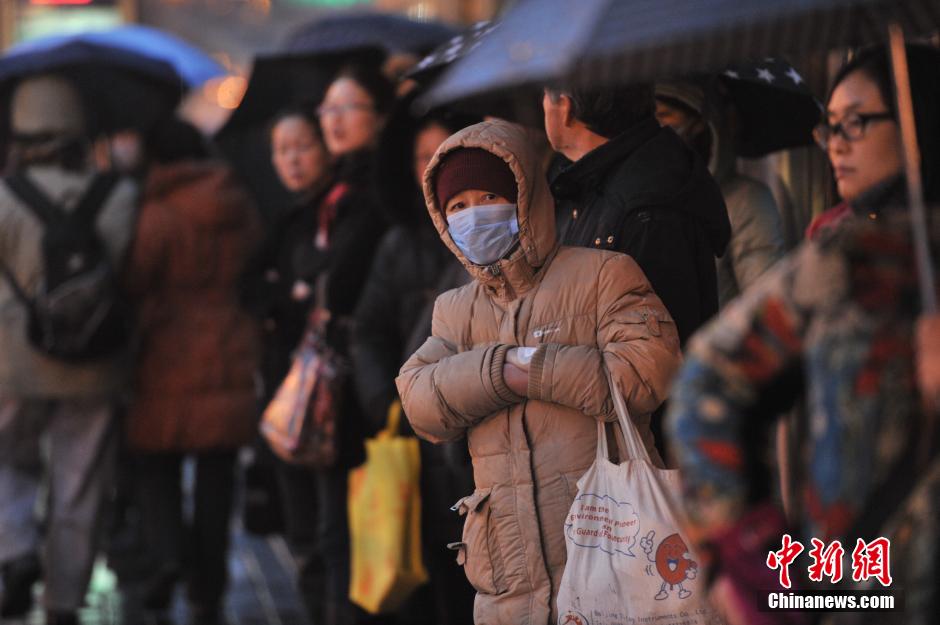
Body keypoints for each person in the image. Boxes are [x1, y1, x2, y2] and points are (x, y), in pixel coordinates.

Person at [666, 44, 940, 625]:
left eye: (857, 123)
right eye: (830, 127)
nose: (837, 144)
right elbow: (704, 388)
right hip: (860, 595)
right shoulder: (848, 261)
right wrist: (754, 568)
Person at [396, 119, 682, 625]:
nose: (473, 215)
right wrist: (499, 370)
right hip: (508, 582)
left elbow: (646, 374)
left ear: (526, 198)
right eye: (457, 207)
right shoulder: (455, 309)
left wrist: (536, 371)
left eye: (489, 196)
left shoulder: (602, 274)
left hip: (611, 559)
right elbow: (420, 402)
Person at [0, 74, 138, 625]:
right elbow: (130, 273)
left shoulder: (4, 196)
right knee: (80, 485)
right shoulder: (120, 195)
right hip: (96, 360)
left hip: (13, 361)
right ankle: (62, 602)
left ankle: (14, 551)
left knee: (7, 462)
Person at [121, 118, 262, 625]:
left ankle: (170, 555)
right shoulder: (237, 202)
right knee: (217, 475)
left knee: (154, 462)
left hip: (164, 354)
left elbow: (133, 277)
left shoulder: (156, 213)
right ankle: (208, 588)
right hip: (228, 345)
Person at [352, 98, 478, 625]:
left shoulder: (481, 234)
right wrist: (389, 402)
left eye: (441, 152)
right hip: (410, 439)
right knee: (423, 577)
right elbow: (368, 331)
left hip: (468, 440)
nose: (429, 165)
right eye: (419, 155)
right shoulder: (400, 242)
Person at [275, 64, 393, 625]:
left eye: (347, 108)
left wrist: (311, 277)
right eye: (327, 110)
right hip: (343, 381)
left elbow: (338, 277)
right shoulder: (340, 187)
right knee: (331, 527)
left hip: (365, 380)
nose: (333, 120)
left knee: (349, 529)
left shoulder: (376, 190)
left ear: (379, 116)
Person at [543, 82, 730, 345]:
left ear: (565, 107)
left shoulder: (648, 203)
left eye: (545, 95)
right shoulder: (584, 182)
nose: (543, 105)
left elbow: (653, 351)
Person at [655, 82, 785, 307]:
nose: (657, 129)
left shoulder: (746, 201)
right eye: (650, 119)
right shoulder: (642, 201)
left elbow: (764, 304)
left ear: (703, 125)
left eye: (665, 116)